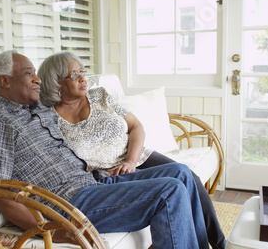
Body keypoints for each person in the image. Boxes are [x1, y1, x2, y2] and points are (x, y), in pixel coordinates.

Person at [0, 50, 210, 248]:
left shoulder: (37, 110)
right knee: (169, 191)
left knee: (180, 173)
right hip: (69, 202)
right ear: (5, 81)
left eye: (36, 73)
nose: (38, 79)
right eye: (28, 74)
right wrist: (51, 230)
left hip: (95, 182)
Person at [37, 51, 226, 249]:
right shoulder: (48, 121)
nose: (83, 78)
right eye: (74, 75)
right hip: (107, 175)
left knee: (187, 176)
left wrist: (131, 161)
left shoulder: (99, 96)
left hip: (137, 158)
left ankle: (219, 244)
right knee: (173, 189)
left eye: (82, 71)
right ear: (56, 82)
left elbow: (136, 126)